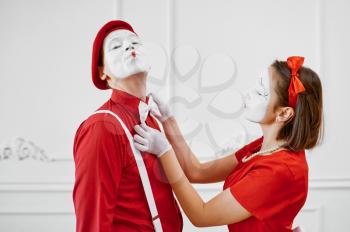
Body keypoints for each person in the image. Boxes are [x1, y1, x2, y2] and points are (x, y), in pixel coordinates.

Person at [133, 56, 323, 231]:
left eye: (260, 92)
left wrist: (164, 151)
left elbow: (201, 215)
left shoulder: (279, 170)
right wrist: (168, 121)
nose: (248, 94)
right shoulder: (265, 146)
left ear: (284, 113)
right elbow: (196, 171)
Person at [72, 20, 183, 232]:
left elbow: (188, 173)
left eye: (135, 42)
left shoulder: (150, 119)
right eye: (115, 46)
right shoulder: (101, 128)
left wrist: (169, 123)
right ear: (103, 72)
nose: (129, 47)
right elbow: (92, 223)